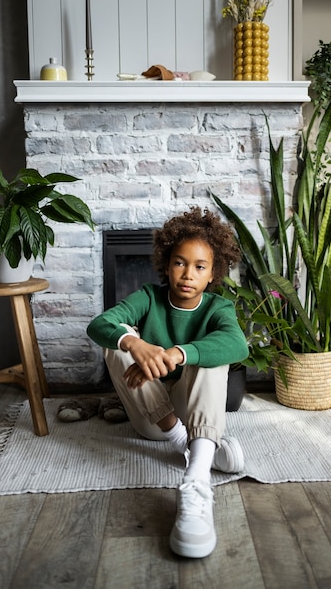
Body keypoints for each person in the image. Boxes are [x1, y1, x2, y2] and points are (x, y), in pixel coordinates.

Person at [87, 206, 249, 558]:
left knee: (213, 354)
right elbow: (98, 325)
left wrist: (177, 353)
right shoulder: (148, 297)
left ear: (213, 274)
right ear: (166, 263)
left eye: (200, 267)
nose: (188, 274)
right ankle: (184, 444)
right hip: (153, 418)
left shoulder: (218, 308)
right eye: (179, 262)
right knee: (117, 341)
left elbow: (238, 345)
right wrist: (136, 345)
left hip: (194, 416)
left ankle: (196, 480)